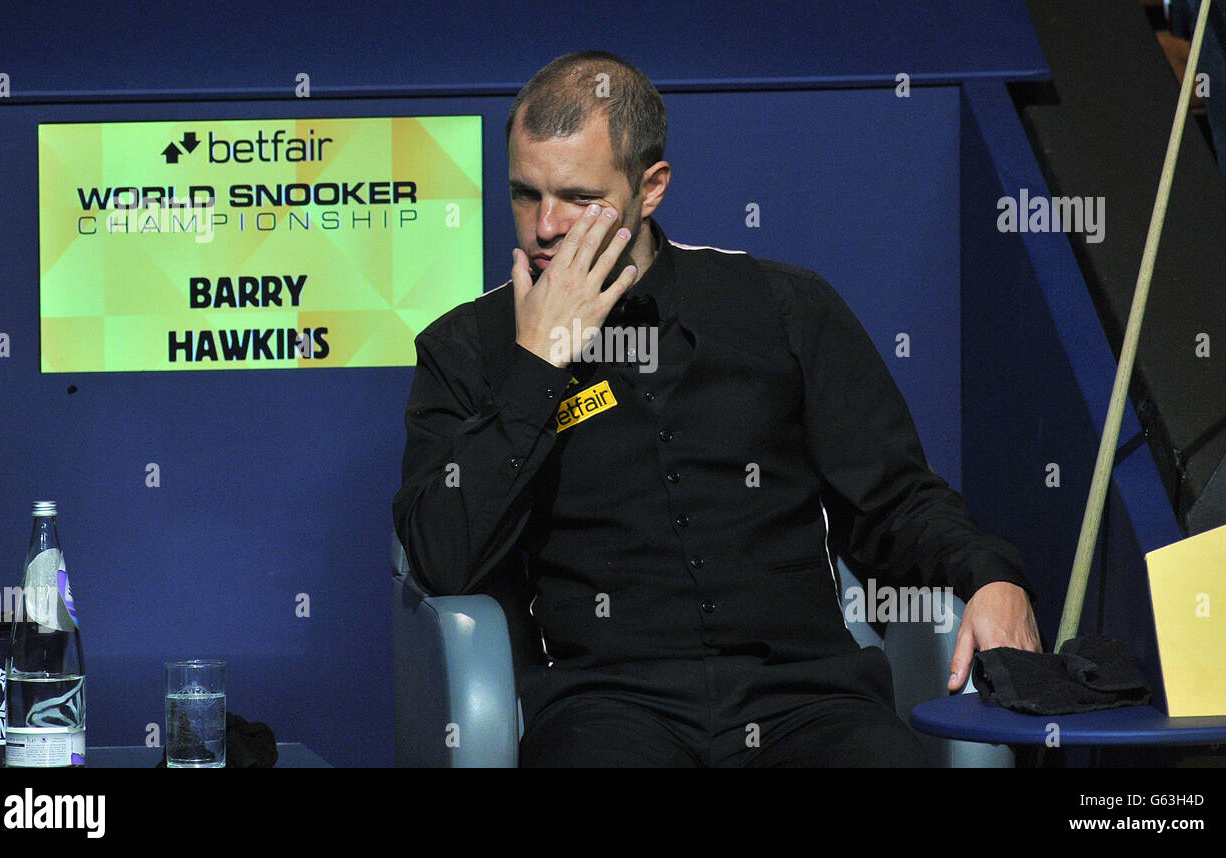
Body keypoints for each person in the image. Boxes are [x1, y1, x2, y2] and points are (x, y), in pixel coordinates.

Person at [392, 50, 1041, 767]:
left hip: (807, 701)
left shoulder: (784, 306)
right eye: (523, 194)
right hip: (607, 709)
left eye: (578, 198)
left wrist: (991, 574)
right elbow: (442, 557)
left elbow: (893, 502)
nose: (544, 227)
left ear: (651, 188)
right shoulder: (467, 348)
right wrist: (537, 364)